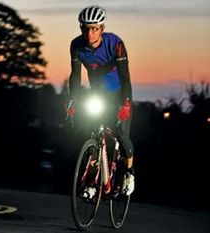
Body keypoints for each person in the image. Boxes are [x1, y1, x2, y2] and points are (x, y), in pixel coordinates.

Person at [67, 5, 135, 195]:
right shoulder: (76, 45)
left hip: (119, 93)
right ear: (81, 28)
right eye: (86, 28)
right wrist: (73, 100)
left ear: (102, 28)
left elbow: (125, 76)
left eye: (95, 28)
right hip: (97, 94)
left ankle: (129, 173)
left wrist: (126, 103)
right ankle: (92, 178)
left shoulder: (116, 44)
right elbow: (75, 75)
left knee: (122, 134)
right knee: (92, 131)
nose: (90, 33)